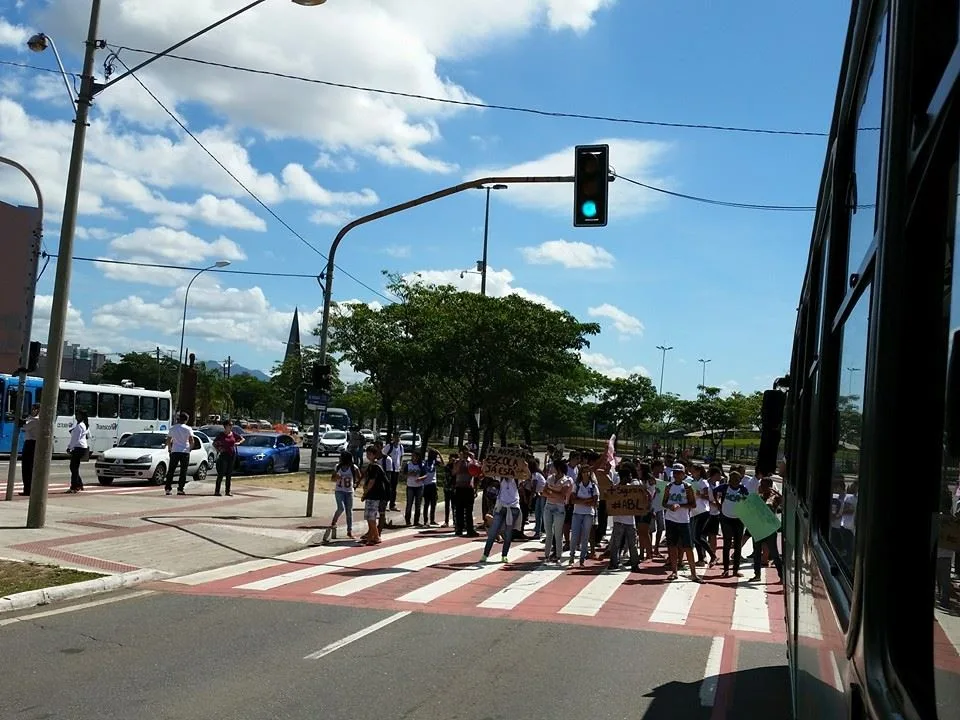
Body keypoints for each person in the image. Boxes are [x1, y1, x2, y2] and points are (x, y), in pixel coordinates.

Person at [361, 445, 389, 545]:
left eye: (370, 454)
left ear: (374, 455)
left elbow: (372, 481)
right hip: (371, 494)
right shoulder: (371, 466)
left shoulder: (376, 467)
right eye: (367, 453)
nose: (368, 455)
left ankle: (375, 536)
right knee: (368, 516)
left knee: (371, 516)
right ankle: (373, 535)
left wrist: (365, 493)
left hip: (376, 494)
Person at [329, 450, 360, 541]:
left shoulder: (353, 467)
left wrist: (355, 484)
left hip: (349, 491)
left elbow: (359, 476)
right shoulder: (338, 467)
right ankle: (334, 521)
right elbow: (332, 478)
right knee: (341, 508)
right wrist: (336, 477)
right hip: (339, 491)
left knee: (349, 511)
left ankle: (349, 531)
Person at [165, 412, 195, 496]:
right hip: (184, 451)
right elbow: (191, 440)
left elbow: (168, 440)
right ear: (186, 420)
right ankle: (180, 489)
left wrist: (170, 449)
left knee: (171, 470)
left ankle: (168, 488)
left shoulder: (173, 428)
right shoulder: (188, 428)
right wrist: (190, 449)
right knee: (183, 471)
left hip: (175, 450)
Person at [213, 419, 243, 496]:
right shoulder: (221, 435)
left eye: (231, 425)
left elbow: (242, 439)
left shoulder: (233, 434)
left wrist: (238, 442)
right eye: (229, 425)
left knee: (229, 474)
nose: (231, 427)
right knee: (221, 473)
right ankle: (217, 491)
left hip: (232, 455)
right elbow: (214, 443)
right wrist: (219, 449)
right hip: (224, 455)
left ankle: (228, 491)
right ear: (225, 426)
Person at [19, 403, 40, 496]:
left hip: (31, 444)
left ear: (38, 410)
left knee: (27, 468)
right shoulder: (33, 419)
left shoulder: (36, 420)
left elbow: (25, 427)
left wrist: (22, 422)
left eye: (34, 409)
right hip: (31, 443)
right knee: (28, 468)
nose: (32, 410)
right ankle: (27, 489)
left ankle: (28, 490)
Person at [65, 410, 89, 493]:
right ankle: (79, 484)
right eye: (76, 414)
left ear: (82, 416)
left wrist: (69, 448)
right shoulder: (83, 425)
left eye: (78, 415)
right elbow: (87, 435)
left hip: (79, 448)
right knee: (74, 467)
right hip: (82, 447)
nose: (76, 416)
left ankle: (74, 486)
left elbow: (75, 439)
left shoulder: (79, 426)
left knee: (73, 467)